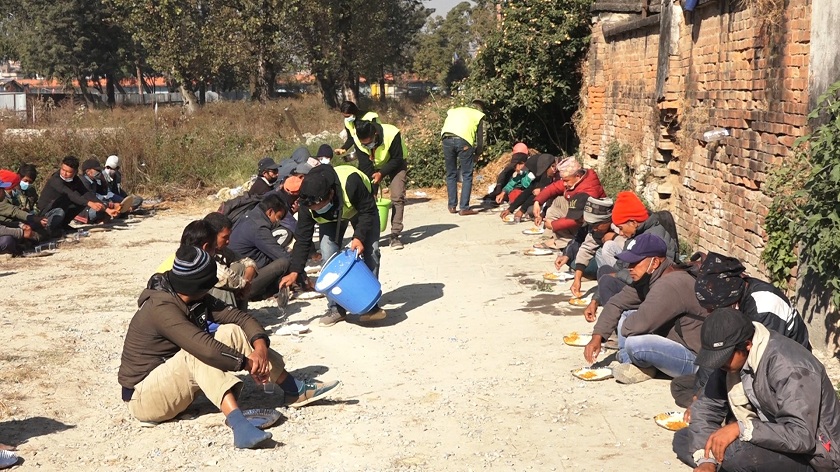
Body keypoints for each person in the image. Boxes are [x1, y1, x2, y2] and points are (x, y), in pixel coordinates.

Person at [119, 245, 340, 449]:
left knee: (231, 330)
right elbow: (205, 349)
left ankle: (293, 389)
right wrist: (246, 362)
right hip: (143, 398)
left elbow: (240, 318)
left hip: (169, 383)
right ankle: (239, 425)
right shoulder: (162, 307)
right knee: (197, 353)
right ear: (199, 284)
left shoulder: (190, 296)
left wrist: (260, 348)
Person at [672, 308, 840, 472]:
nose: (719, 364)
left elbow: (801, 437)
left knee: (736, 454)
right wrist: (705, 460)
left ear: (747, 345)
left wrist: (742, 428)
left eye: (724, 357)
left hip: (816, 455)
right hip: (772, 435)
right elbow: (706, 409)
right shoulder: (729, 364)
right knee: (686, 437)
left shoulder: (790, 366)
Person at [670, 251, 812, 409]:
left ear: (730, 298)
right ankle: (713, 408)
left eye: (713, 308)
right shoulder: (732, 302)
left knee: (721, 395)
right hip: (740, 361)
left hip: (780, 374)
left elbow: (762, 360)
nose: (710, 313)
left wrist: (707, 398)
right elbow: (715, 349)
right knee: (680, 386)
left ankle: (726, 413)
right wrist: (700, 392)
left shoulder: (764, 306)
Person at [583, 233, 709, 384]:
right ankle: (632, 363)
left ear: (655, 262)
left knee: (635, 344)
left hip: (695, 360)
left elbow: (633, 327)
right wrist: (598, 336)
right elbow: (616, 303)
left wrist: (637, 321)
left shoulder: (670, 284)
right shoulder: (651, 278)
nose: (629, 268)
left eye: (634, 263)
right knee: (626, 314)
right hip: (677, 344)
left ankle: (634, 363)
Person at [279, 165, 386, 326]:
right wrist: (295, 271)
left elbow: (368, 211)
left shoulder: (351, 183)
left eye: (320, 207)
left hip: (362, 211)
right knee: (328, 255)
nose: (318, 211)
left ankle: (370, 306)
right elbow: (303, 239)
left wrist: (358, 237)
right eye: (315, 209)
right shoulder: (307, 204)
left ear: (331, 193)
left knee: (371, 252)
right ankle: (336, 308)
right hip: (332, 220)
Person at [583, 190, 680, 321]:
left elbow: (651, 277)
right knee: (604, 271)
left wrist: (618, 275)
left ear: (633, 222)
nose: (620, 234)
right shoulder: (634, 236)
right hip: (636, 281)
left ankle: (618, 326)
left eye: (621, 228)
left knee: (608, 281)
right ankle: (612, 315)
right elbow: (619, 267)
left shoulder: (654, 238)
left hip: (652, 290)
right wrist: (595, 300)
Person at [228, 193, 292, 302]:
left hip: (238, 269)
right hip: (245, 281)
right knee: (284, 262)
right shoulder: (259, 228)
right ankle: (265, 293)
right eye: (278, 217)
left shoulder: (249, 215)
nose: (278, 221)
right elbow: (281, 255)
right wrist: (299, 274)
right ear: (270, 212)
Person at [554, 197, 625, 297]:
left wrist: (615, 237)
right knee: (578, 261)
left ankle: (618, 285)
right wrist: (577, 279)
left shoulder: (619, 225)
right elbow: (586, 248)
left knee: (606, 247)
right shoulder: (596, 230)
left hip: (627, 265)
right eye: (591, 225)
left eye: (596, 225)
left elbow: (631, 245)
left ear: (607, 220)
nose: (594, 229)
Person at [532, 157, 606, 250]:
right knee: (556, 202)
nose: (564, 184)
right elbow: (554, 187)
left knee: (556, 215)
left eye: (566, 180)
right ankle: (557, 238)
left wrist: (554, 225)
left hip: (589, 221)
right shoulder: (577, 180)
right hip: (578, 212)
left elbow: (578, 218)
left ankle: (565, 242)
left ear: (578, 176)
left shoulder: (588, 190)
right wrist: (537, 202)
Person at [355, 119, 408, 249]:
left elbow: (397, 158)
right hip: (373, 165)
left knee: (397, 196)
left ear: (375, 134)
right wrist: (372, 190)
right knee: (367, 196)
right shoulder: (357, 140)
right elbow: (365, 165)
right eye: (364, 145)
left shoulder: (392, 133)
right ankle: (370, 234)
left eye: (369, 143)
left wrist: (382, 173)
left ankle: (395, 235)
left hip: (395, 163)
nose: (367, 146)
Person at [37, 156, 115, 235]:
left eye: (68, 172)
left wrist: (106, 209)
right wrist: (89, 203)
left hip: (62, 206)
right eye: (63, 170)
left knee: (80, 203)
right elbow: (69, 194)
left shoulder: (75, 180)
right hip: (47, 211)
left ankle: (63, 225)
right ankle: (50, 229)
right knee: (61, 211)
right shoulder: (55, 180)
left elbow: (86, 193)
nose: (64, 173)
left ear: (75, 172)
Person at [441, 100, 486, 215]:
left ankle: (452, 206)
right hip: (463, 142)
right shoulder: (478, 115)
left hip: (446, 139)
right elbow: (481, 138)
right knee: (467, 175)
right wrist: (478, 153)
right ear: (480, 108)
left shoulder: (455, 111)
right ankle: (464, 207)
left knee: (451, 173)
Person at [501, 153, 557, 222]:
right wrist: (511, 208)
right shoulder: (542, 174)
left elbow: (541, 192)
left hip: (555, 204)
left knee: (531, 210)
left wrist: (522, 210)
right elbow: (529, 190)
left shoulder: (556, 175)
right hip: (544, 201)